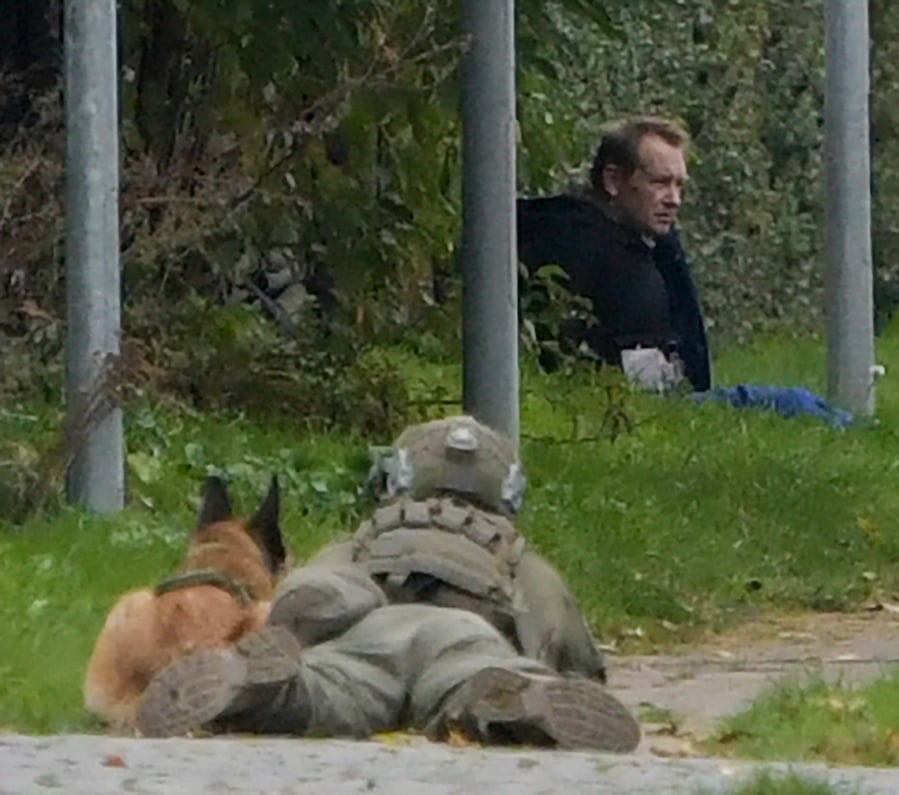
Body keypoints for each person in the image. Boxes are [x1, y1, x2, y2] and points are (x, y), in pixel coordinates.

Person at [135, 416, 641, 752]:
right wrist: (562, 674)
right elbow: (569, 646)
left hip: (368, 626)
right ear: (508, 493)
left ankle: (263, 688)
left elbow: (319, 590)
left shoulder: (366, 538)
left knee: (327, 690)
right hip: (463, 634)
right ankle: (510, 696)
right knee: (472, 678)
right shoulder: (519, 560)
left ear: (396, 480)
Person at [518, 117, 854, 427]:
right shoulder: (580, 243)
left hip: (658, 401)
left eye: (680, 186)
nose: (674, 199)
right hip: (643, 409)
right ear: (614, 180)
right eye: (661, 183)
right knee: (796, 405)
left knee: (806, 405)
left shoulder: (638, 242)